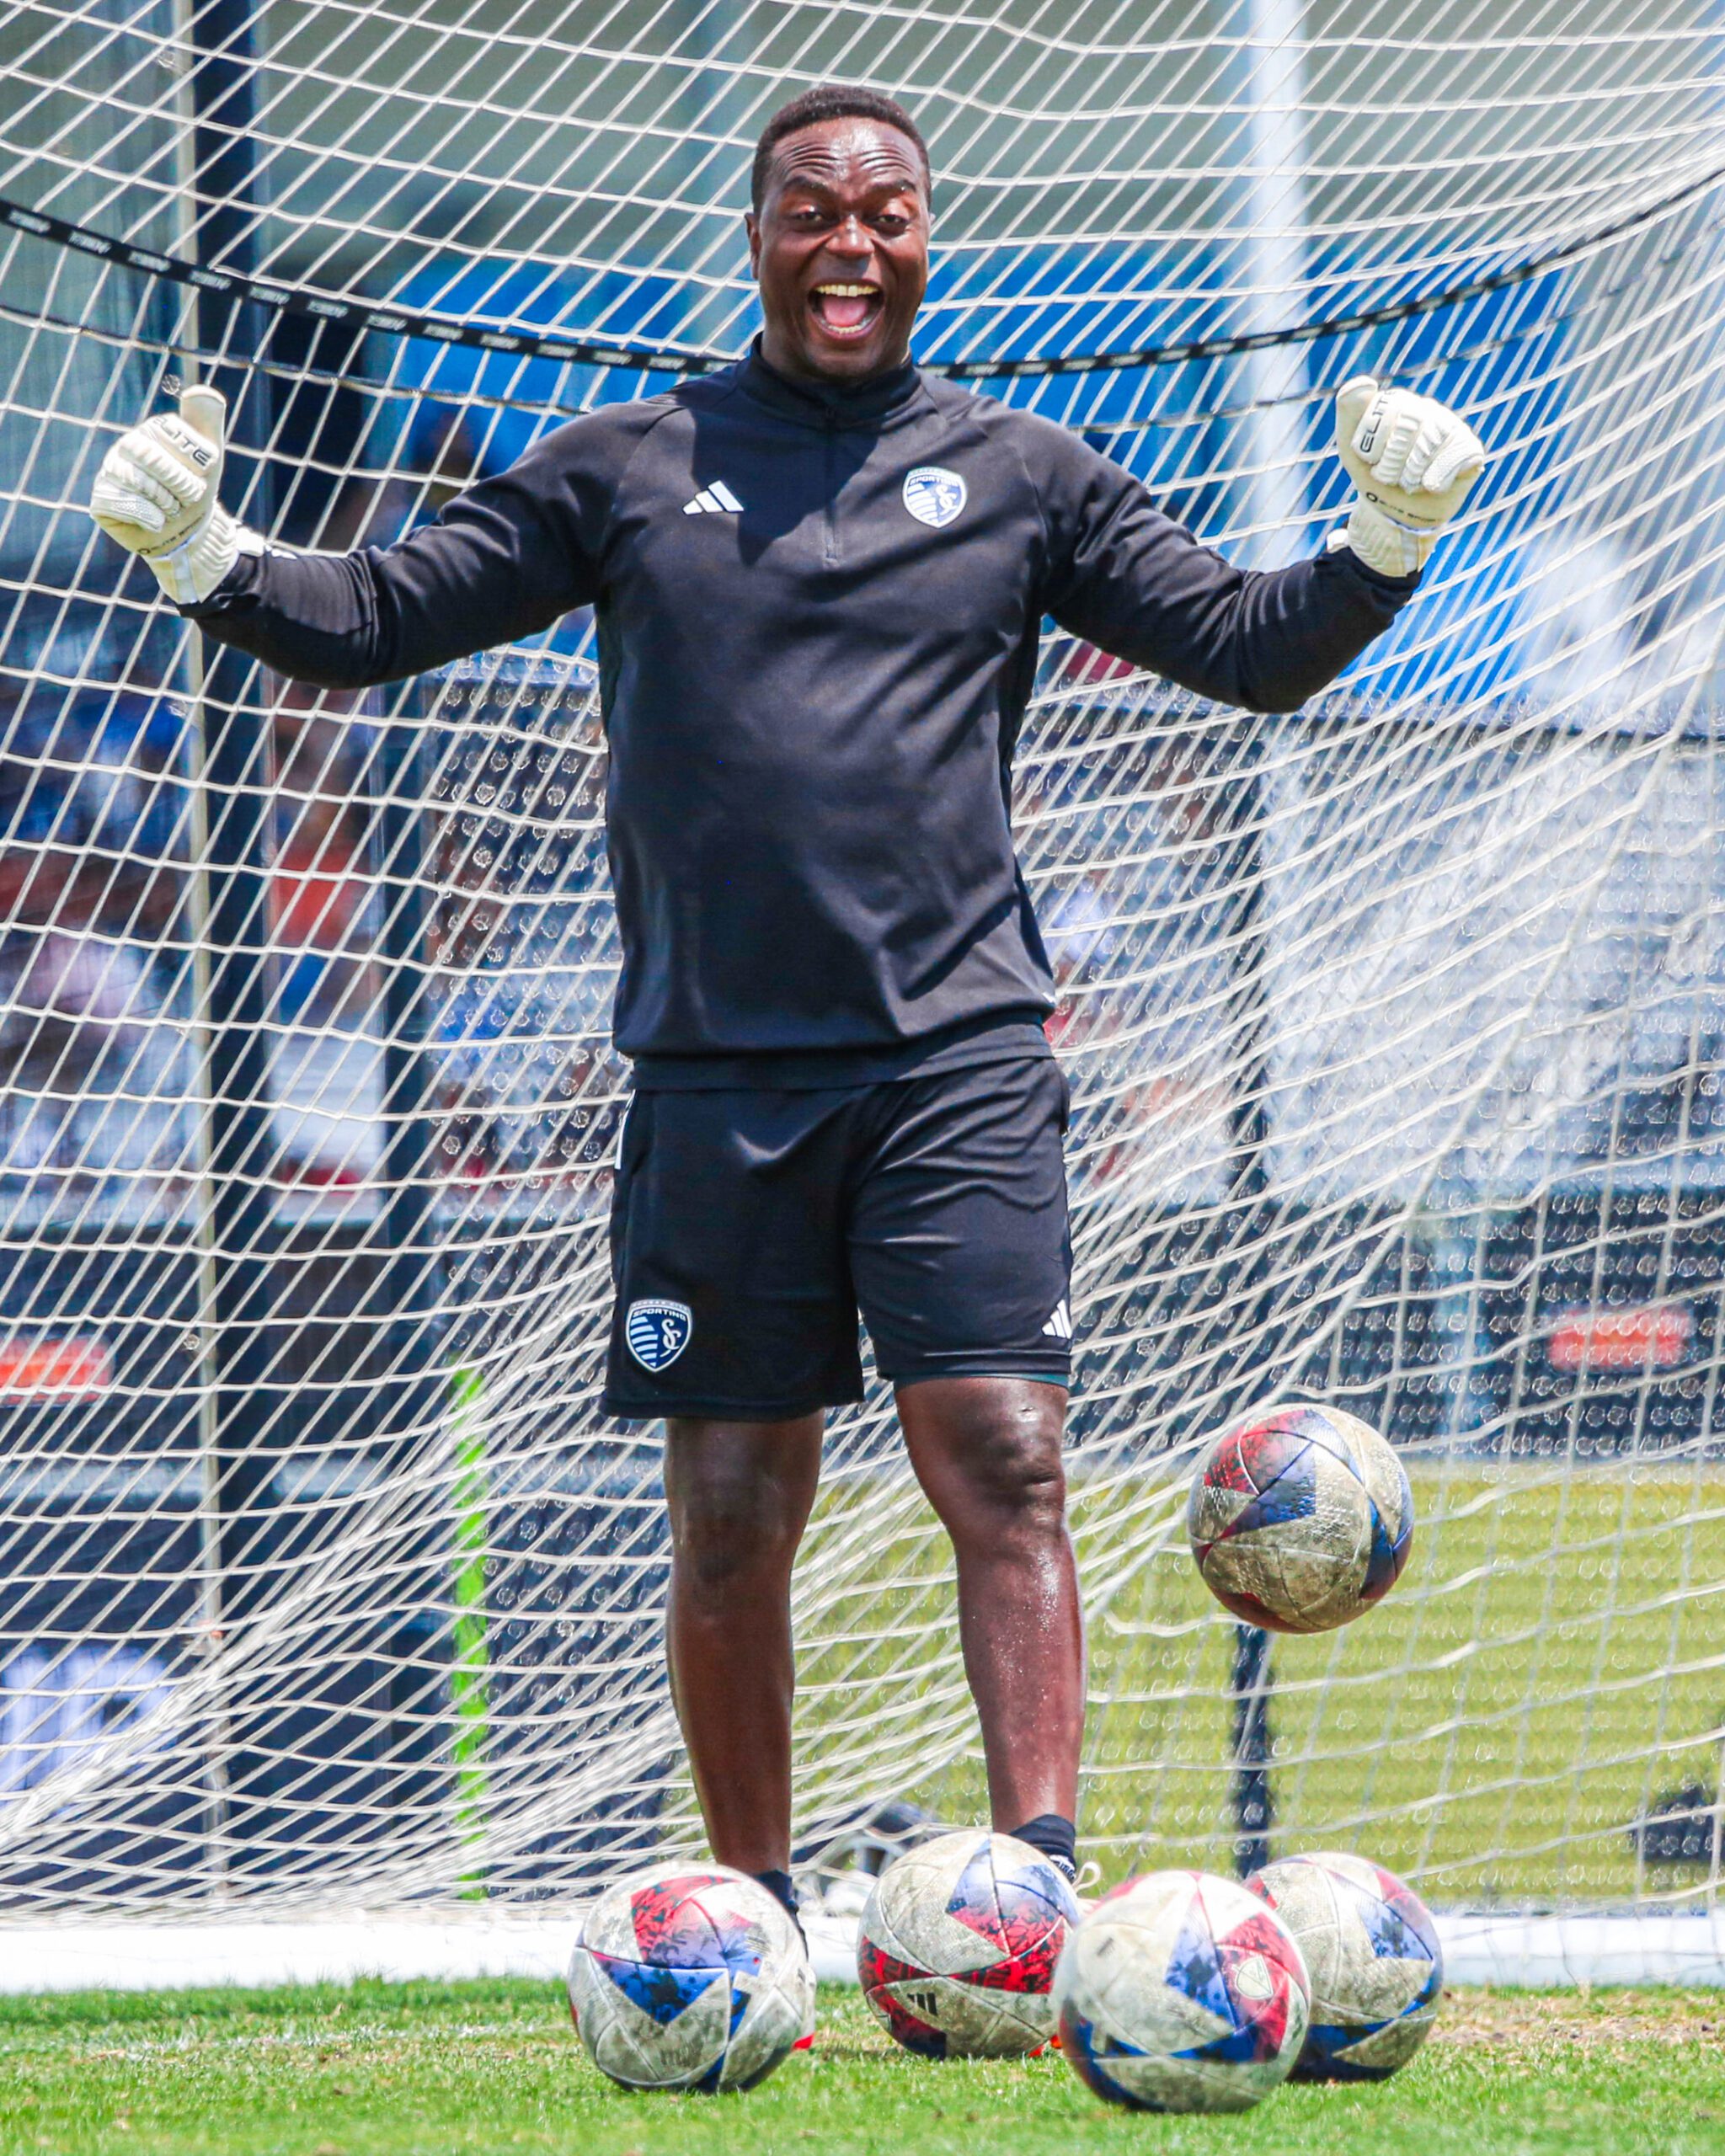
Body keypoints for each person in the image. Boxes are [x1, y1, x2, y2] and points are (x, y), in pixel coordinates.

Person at [87, 84, 1484, 1932]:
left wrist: (1386, 537)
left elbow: (1249, 646)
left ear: (927, 237)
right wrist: (206, 556)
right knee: (734, 1514)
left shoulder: (1025, 474)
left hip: (956, 1062)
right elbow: (374, 614)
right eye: (812, 211)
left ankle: (1030, 1902)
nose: (850, 242)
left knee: (1006, 1451)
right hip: (713, 1079)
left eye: (884, 211)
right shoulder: (626, 465)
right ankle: (750, 1912)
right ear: (755, 234)